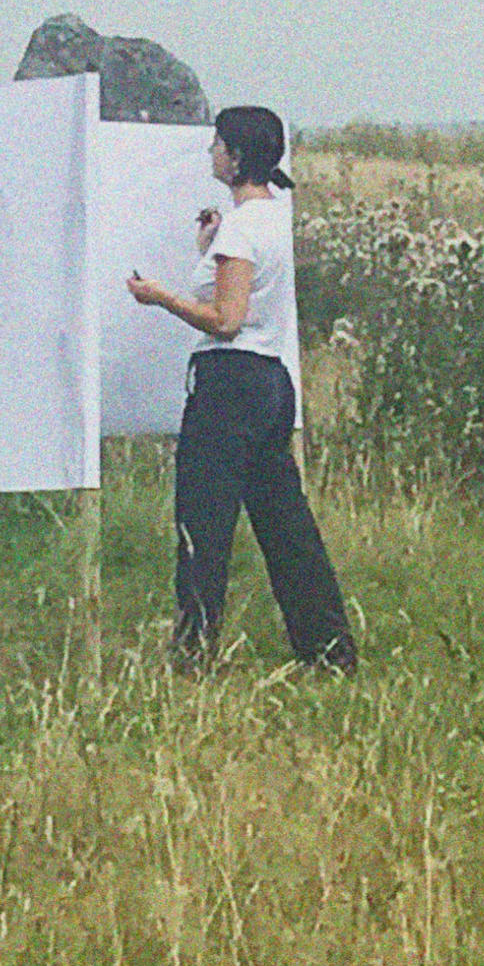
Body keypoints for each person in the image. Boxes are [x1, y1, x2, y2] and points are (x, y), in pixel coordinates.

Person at [126, 106, 357, 674]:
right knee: (285, 524)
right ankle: (329, 651)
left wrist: (159, 296)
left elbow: (226, 320)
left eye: (217, 146)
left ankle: (194, 655)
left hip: (229, 385)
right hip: (272, 383)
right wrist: (211, 248)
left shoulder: (241, 227)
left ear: (235, 157)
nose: (211, 154)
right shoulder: (273, 216)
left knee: (203, 524)